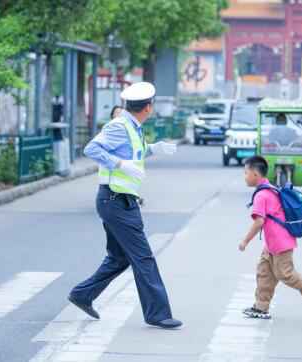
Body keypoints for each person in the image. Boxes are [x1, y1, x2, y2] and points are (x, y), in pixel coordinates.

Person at [68, 82, 182, 330]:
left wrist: (154, 148)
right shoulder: (120, 126)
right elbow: (91, 148)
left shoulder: (133, 127)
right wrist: (118, 164)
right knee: (144, 258)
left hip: (120, 200)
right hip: (115, 201)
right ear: (149, 107)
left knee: (119, 258)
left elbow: (135, 155)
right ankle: (158, 314)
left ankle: (82, 295)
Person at [239, 156, 302, 320]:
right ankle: (261, 307)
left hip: (280, 242)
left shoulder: (262, 195)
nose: (244, 176)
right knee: (264, 272)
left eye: (245, 173)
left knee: (285, 274)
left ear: (255, 174)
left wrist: (245, 241)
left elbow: (259, 221)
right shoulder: (269, 189)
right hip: (272, 243)